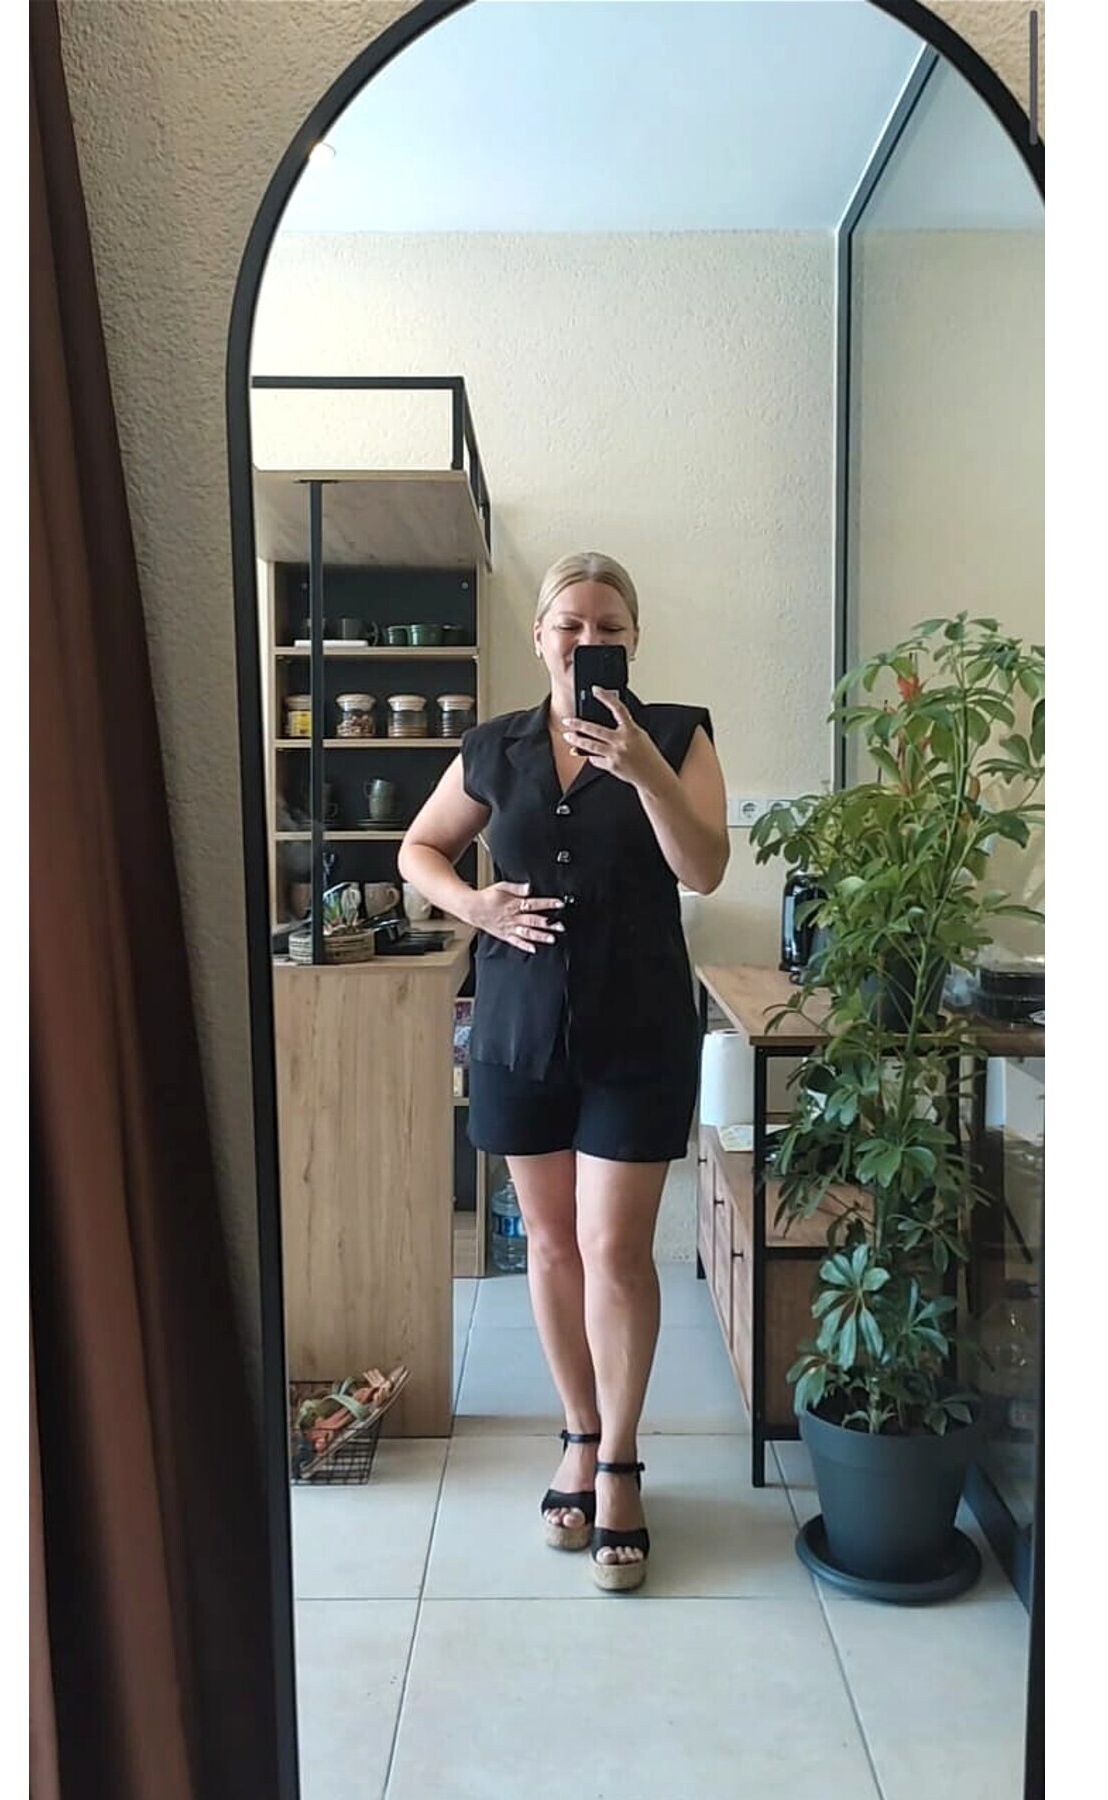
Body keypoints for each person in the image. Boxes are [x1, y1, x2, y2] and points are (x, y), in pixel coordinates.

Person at [398, 551, 729, 1592]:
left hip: (638, 1028)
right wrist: (476, 905)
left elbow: (705, 868)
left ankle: (621, 1461)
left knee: (613, 1250)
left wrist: (644, 770)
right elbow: (418, 851)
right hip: (519, 1025)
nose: (588, 640)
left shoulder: (677, 733)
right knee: (548, 1243)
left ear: (633, 638)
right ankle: (579, 1438)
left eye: (608, 625)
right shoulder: (493, 746)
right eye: (570, 623)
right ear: (540, 635)